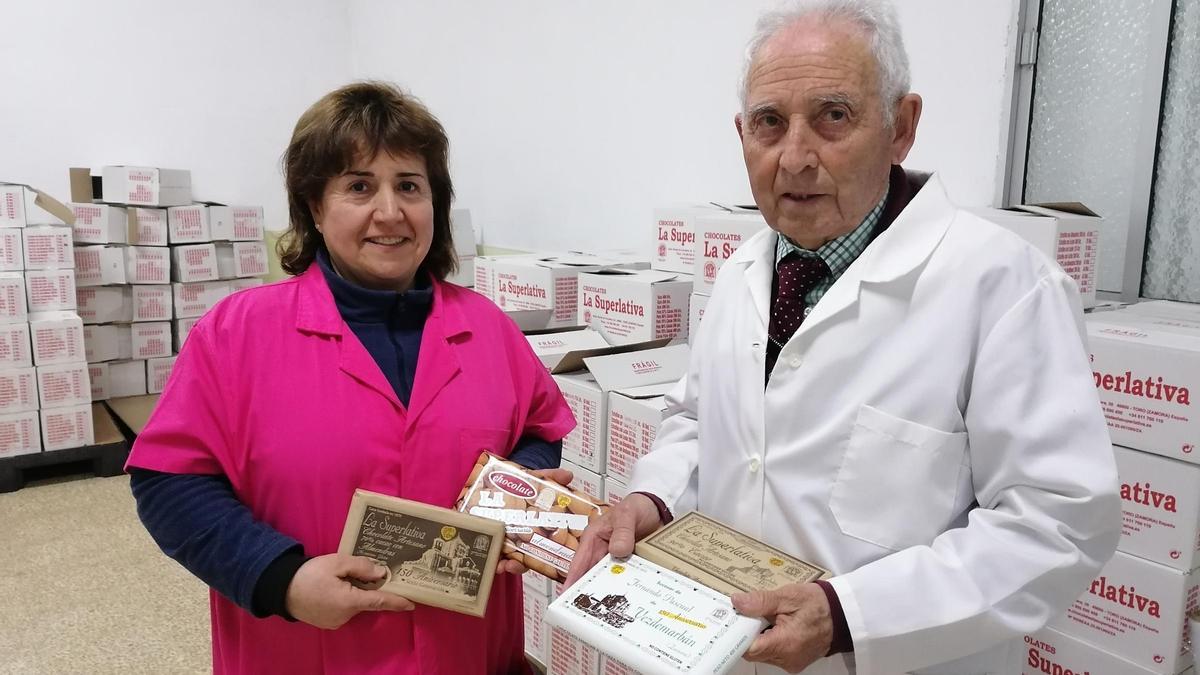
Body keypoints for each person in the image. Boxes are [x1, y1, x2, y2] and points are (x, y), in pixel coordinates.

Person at [568, 2, 1120, 674]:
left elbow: (1059, 524)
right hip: (719, 648)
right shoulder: (744, 271)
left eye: (833, 117)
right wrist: (654, 497)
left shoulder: (1003, 286)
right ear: (742, 133)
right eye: (770, 123)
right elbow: (696, 423)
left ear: (901, 128)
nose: (796, 158)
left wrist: (851, 614)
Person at [127, 81, 575, 674]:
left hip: (464, 651)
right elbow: (169, 483)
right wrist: (281, 578)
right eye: (359, 186)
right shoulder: (237, 334)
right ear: (315, 206)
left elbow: (540, 431)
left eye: (409, 187)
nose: (389, 212)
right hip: (304, 650)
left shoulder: (487, 328)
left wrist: (520, 496)